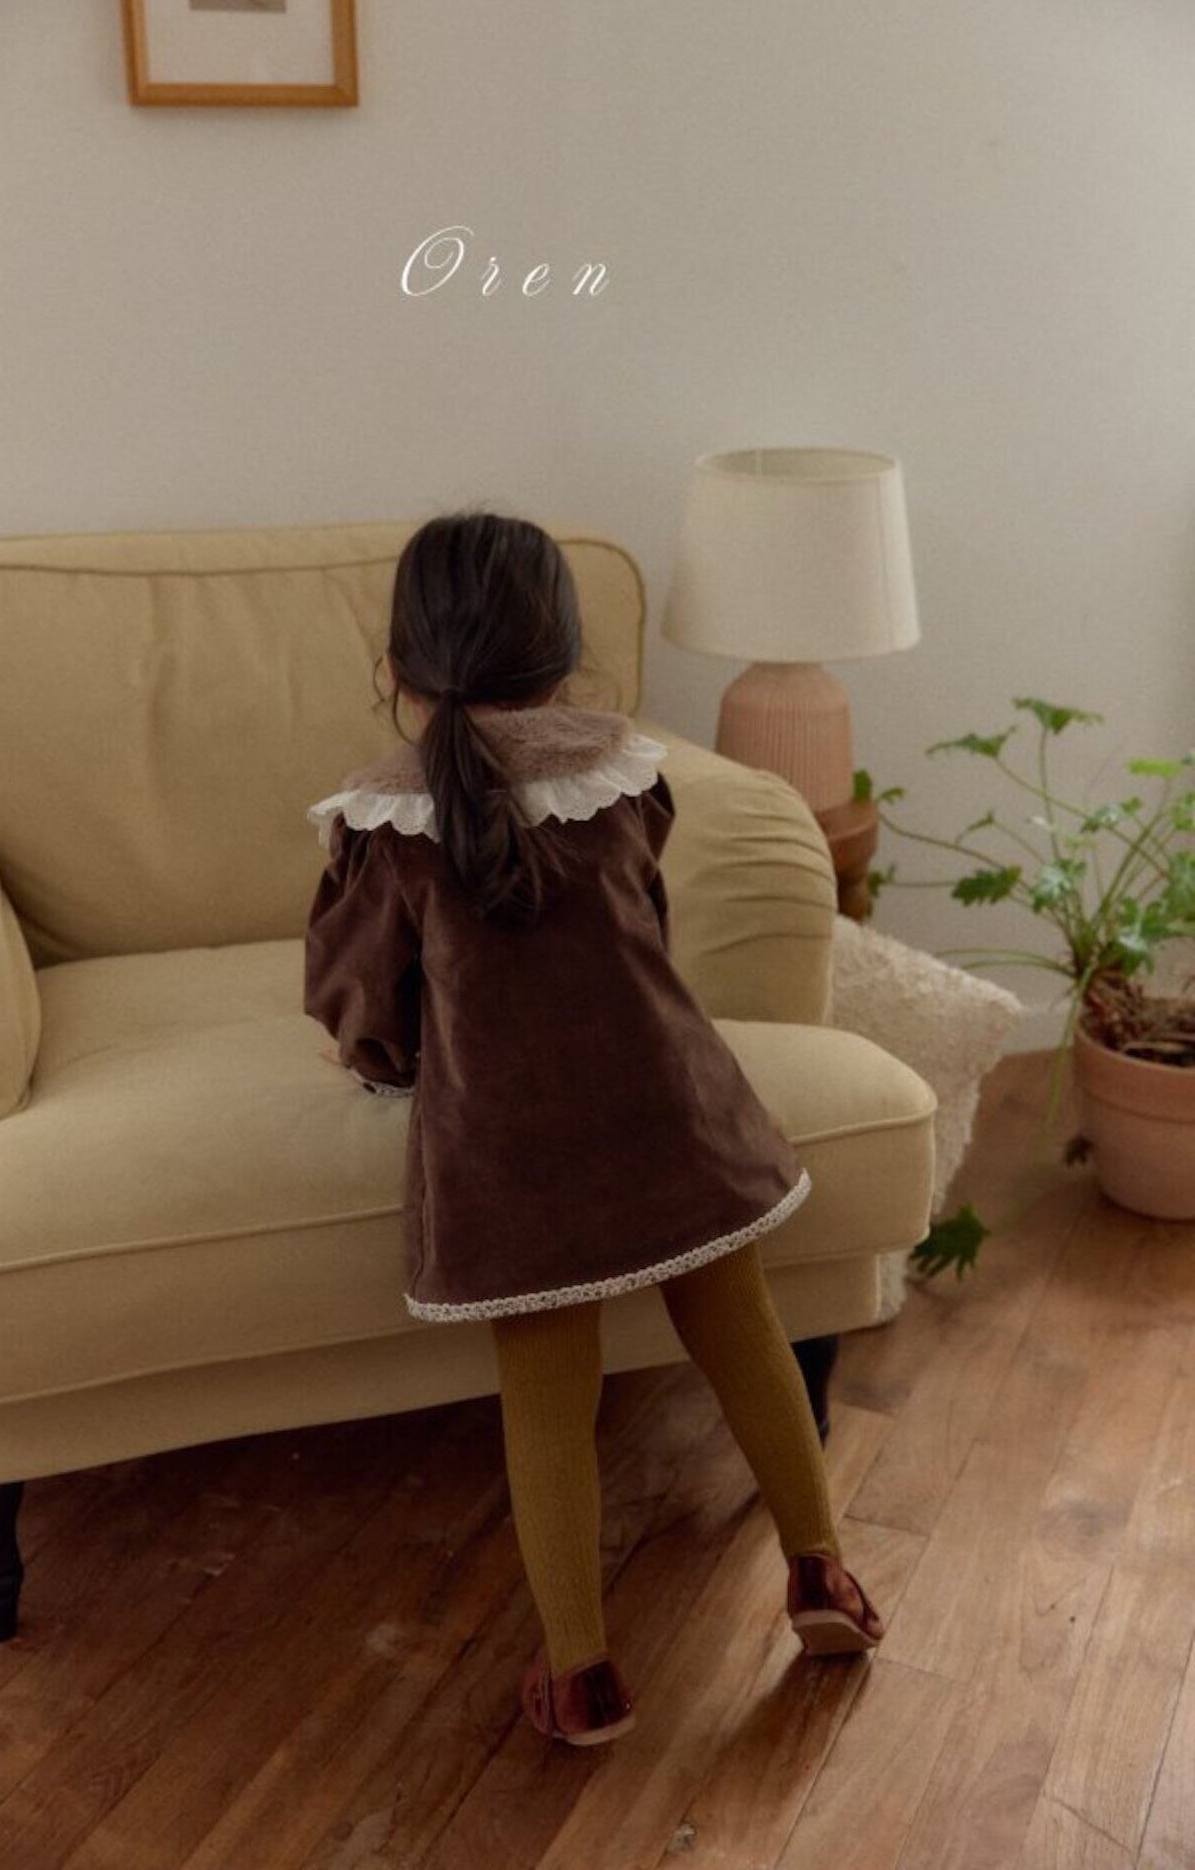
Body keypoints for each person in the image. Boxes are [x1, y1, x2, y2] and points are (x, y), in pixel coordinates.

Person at [303, 510, 884, 1747]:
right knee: (743, 1332)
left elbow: (360, 999)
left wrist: (386, 1064)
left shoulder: (382, 822)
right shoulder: (623, 775)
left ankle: (581, 1672)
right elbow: (643, 929)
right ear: (565, 657)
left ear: (397, 664)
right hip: (674, 1112)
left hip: (513, 1161)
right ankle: (820, 1570)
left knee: (546, 1401)